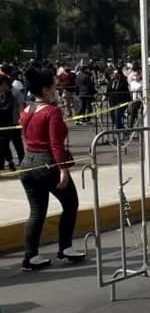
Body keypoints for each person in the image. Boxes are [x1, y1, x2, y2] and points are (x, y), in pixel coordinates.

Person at [18, 67, 84, 270]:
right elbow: (56, 143)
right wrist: (63, 170)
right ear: (46, 90)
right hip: (48, 163)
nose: (57, 90)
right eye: (54, 87)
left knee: (37, 212)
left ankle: (31, 256)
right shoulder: (52, 112)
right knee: (71, 204)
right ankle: (65, 248)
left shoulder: (27, 111)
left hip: (28, 163)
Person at [0, 76, 20, 170]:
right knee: (2, 144)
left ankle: (9, 162)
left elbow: (8, 108)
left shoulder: (10, 95)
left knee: (4, 144)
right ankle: (9, 162)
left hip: (8, 124)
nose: (4, 86)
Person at [107, 68, 131, 134]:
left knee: (117, 117)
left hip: (121, 102)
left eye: (117, 74)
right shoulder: (111, 82)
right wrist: (103, 98)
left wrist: (128, 103)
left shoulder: (123, 83)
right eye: (114, 74)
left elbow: (127, 93)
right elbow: (108, 91)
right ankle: (124, 130)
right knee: (113, 118)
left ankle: (120, 133)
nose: (115, 75)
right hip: (112, 102)